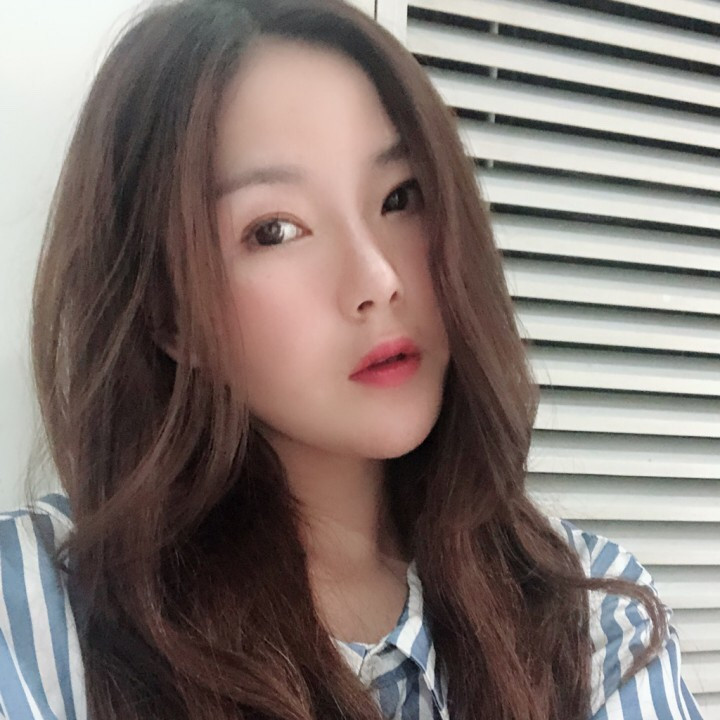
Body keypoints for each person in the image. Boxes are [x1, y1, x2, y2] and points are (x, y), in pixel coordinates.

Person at [0, 0, 705, 719]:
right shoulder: (37, 611)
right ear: (169, 315)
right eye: (274, 230)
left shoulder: (589, 614)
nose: (377, 279)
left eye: (400, 197)